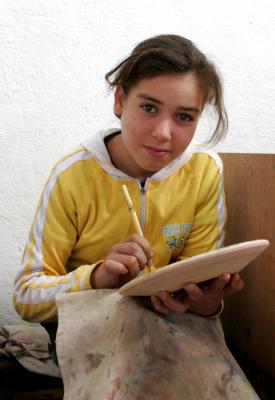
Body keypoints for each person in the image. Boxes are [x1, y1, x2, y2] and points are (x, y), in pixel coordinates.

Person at [14, 34, 244, 332]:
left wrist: (205, 303)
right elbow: (26, 296)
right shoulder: (71, 176)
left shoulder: (204, 171)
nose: (163, 133)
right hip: (85, 340)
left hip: (171, 333)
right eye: (149, 108)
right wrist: (96, 278)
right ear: (120, 100)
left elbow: (200, 283)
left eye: (184, 116)